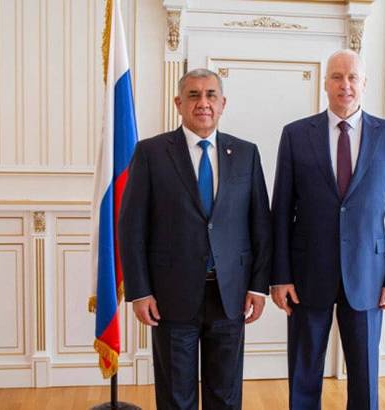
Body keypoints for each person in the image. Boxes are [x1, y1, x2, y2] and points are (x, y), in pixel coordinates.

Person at [119, 68, 272, 410]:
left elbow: (261, 224)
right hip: (171, 296)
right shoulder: (151, 153)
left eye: (210, 95)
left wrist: (258, 286)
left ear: (222, 103)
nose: (203, 103)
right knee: (176, 397)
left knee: (225, 396)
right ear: (179, 103)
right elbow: (131, 227)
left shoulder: (246, 153)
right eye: (193, 95)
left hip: (230, 295)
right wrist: (140, 291)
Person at [270, 50, 385, 410]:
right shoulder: (296, 134)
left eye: (352, 77)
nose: (344, 84)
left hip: (368, 275)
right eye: (336, 76)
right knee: (304, 372)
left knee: (364, 375)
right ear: (325, 83)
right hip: (307, 274)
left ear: (364, 83)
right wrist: (280, 276)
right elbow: (281, 211)